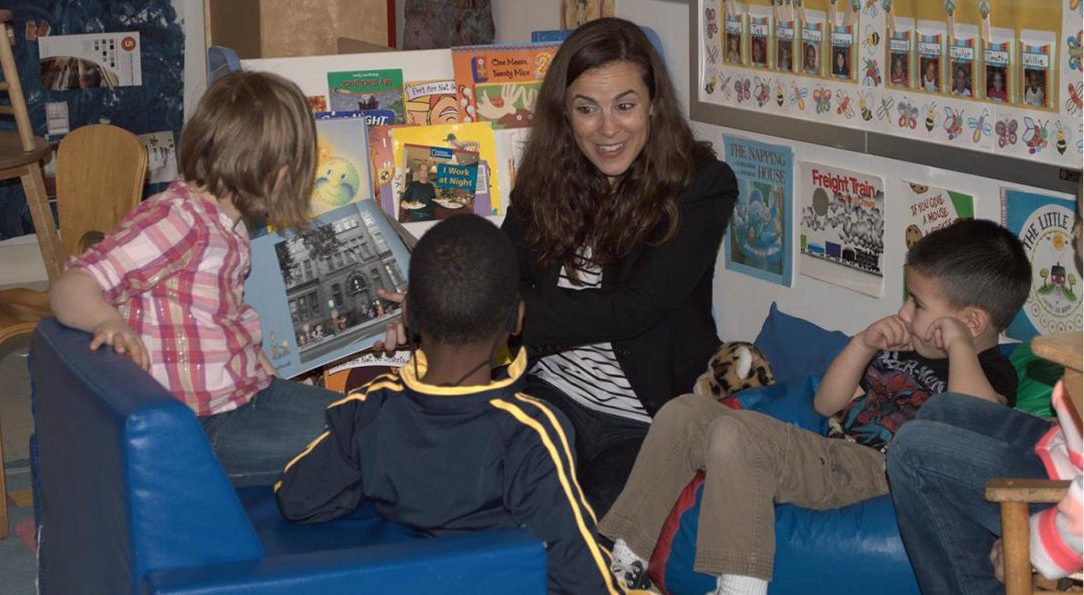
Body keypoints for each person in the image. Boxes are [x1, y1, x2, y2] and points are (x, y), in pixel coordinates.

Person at [377, 17, 739, 517]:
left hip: (645, 418)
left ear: (653, 106)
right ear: (565, 115)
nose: (608, 128)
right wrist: (433, 304)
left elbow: (634, 308)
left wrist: (502, 310)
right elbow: (498, 267)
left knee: (596, 530)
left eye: (625, 106)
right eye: (586, 109)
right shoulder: (547, 176)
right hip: (551, 396)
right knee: (471, 498)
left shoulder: (702, 185)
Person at [599, 218, 1031, 594]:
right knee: (685, 414)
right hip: (829, 452)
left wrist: (957, 344)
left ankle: (740, 585)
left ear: (971, 322)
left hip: (884, 477)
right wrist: (861, 345)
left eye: (917, 303)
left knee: (736, 434)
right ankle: (628, 553)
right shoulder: (905, 349)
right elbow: (825, 402)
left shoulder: (991, 371)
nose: (902, 312)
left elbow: (972, 421)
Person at [274, 214, 635, 595]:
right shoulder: (532, 433)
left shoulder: (369, 408)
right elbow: (582, 579)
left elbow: (296, 498)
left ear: (409, 315)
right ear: (516, 318)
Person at [49, 70, 339, 487]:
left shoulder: (226, 223)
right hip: (204, 429)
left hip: (246, 398)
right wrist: (107, 322)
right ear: (278, 173)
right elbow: (70, 286)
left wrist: (278, 384)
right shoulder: (178, 220)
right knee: (361, 440)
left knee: (364, 418)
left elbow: (228, 322)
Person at [887, 207, 1083, 595]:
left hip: (1071, 499)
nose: (1076, 231)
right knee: (945, 412)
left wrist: (1032, 543)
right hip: (1065, 459)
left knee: (912, 450)